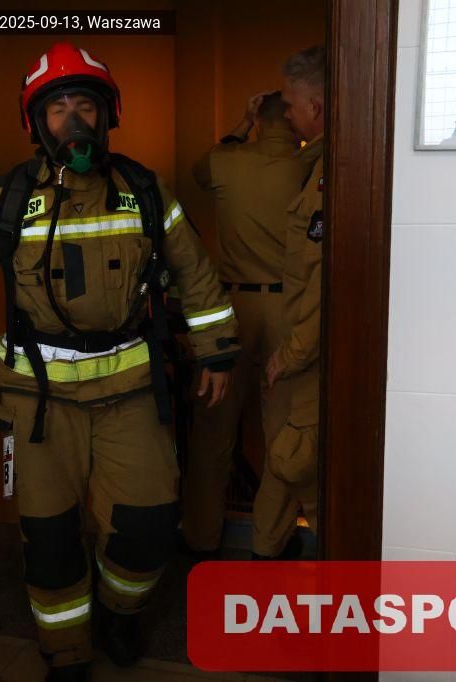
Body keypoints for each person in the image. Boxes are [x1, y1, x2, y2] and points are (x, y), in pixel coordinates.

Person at [0, 42, 239, 681]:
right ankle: (67, 650)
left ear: (108, 114)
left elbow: (194, 272)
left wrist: (216, 351)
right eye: (57, 108)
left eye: (85, 105)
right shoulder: (7, 199)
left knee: (149, 525)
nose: (73, 120)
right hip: (39, 402)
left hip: (130, 391)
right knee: (49, 540)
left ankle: (120, 613)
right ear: (36, 122)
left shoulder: (145, 191)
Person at [182, 91, 315, 559]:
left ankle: (200, 536)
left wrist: (241, 124)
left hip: (230, 308)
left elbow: (199, 172)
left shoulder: (226, 162)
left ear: (259, 118)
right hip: (288, 308)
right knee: (284, 432)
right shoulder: (307, 167)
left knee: (212, 430)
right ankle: (269, 541)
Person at [259, 46, 329, 560]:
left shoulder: (331, 174)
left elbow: (325, 281)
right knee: (288, 455)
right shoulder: (314, 165)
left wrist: (293, 354)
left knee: (296, 458)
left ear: (315, 106)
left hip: (310, 354)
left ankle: (338, 572)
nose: (286, 114)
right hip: (302, 346)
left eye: (290, 104)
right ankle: (267, 557)